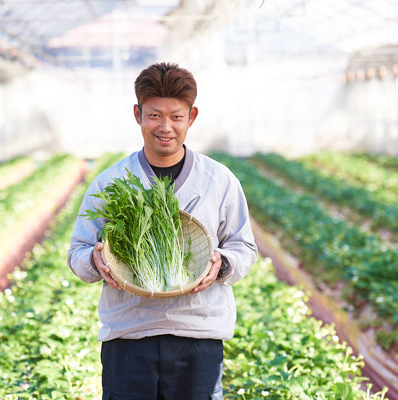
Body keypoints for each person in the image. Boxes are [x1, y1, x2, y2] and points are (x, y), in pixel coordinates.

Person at [67, 62, 257, 400]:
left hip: (198, 335)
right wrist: (95, 261)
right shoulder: (110, 181)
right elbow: (77, 253)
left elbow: (244, 247)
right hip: (129, 336)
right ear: (137, 114)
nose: (165, 127)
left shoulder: (218, 180)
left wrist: (222, 264)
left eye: (176, 117)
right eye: (154, 116)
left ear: (192, 116)